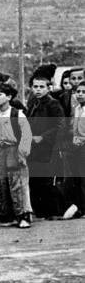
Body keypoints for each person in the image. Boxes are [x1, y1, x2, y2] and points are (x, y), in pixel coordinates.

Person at [0, 83, 33, 228]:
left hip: (14, 150)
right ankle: (5, 216)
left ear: (9, 97)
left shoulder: (17, 114)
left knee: (17, 183)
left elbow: (26, 135)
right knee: (0, 184)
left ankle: (23, 216)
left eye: (0, 94)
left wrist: (22, 152)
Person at [26, 73, 64, 219]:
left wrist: (43, 137)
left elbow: (60, 125)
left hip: (48, 149)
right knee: (35, 180)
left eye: (42, 87)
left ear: (49, 88)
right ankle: (40, 211)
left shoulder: (53, 104)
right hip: (33, 148)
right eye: (35, 87)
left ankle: (53, 212)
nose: (38, 90)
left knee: (46, 181)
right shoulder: (33, 103)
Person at [61, 80, 85, 219]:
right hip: (77, 147)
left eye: (83, 92)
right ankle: (80, 206)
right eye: (78, 92)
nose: (80, 94)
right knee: (77, 177)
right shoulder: (77, 109)